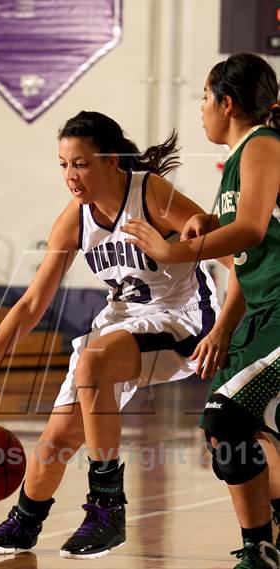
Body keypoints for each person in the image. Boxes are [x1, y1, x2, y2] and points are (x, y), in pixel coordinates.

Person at [0, 110, 222, 559]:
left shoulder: (152, 195)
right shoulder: (75, 218)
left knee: (93, 360)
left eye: (81, 163)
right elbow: (31, 304)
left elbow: (229, 246)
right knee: (56, 440)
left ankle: (108, 508)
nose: (70, 175)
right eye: (64, 164)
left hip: (181, 317)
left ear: (111, 162)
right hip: (122, 319)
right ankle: (26, 520)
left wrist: (226, 326)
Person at [122, 52, 280, 568]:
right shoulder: (241, 160)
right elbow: (246, 252)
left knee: (226, 417)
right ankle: (262, 545)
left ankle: (261, 548)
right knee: (231, 433)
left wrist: (174, 250)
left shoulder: (262, 145)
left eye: (204, 98)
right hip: (260, 311)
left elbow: (253, 230)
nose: (201, 109)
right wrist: (221, 328)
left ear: (226, 102)